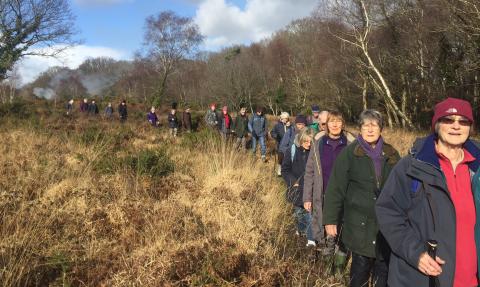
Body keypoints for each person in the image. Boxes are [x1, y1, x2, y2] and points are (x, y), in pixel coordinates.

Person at [376, 98, 480, 287]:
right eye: (448, 119)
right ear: (437, 125)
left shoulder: (477, 169)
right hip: (423, 279)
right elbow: (388, 212)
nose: (456, 126)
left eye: (463, 121)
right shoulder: (411, 166)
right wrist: (416, 253)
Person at [323, 109, 400, 287]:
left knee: (383, 273)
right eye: (366, 125)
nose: (370, 129)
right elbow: (335, 188)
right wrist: (330, 219)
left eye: (374, 125)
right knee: (359, 275)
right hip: (358, 226)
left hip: (385, 226)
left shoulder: (392, 154)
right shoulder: (350, 154)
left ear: (381, 128)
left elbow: (401, 188)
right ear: (360, 129)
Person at [303, 111, 355, 263]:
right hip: (323, 194)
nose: (335, 124)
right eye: (332, 121)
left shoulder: (351, 144)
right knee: (325, 229)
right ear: (326, 124)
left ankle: (339, 267)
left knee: (343, 229)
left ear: (343, 123)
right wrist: (307, 196)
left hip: (344, 196)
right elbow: (310, 171)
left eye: (338, 121)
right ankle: (327, 265)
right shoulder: (318, 143)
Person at [282, 127, 316, 247]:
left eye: (311, 141)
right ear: (301, 140)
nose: (308, 144)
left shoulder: (316, 152)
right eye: (305, 141)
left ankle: (311, 241)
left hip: (311, 191)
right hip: (296, 190)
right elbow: (284, 169)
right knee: (299, 214)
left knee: (311, 216)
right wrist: (293, 181)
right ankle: (301, 234)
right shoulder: (291, 150)